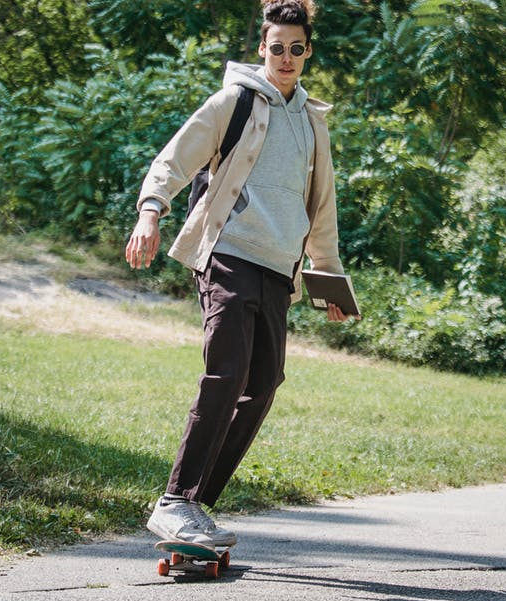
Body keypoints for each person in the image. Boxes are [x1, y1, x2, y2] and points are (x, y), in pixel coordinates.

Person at [124, 0, 354, 547]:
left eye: (297, 48)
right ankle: (175, 499)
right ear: (262, 48)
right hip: (227, 253)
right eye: (277, 47)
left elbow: (322, 211)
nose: (287, 57)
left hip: (279, 269)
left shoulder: (312, 123)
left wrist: (331, 283)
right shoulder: (236, 101)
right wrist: (150, 210)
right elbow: (176, 157)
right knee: (226, 373)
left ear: (308, 51)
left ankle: (195, 503)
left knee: (263, 382)